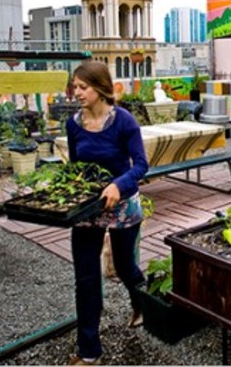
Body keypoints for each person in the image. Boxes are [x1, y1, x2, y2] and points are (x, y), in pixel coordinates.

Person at [66, 61, 149, 365]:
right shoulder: (74, 123)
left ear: (101, 89)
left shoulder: (124, 121)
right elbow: (77, 167)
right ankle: (89, 352)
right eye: (74, 87)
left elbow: (141, 165)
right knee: (86, 277)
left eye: (83, 87)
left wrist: (118, 184)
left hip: (123, 203)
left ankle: (142, 306)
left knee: (126, 267)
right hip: (89, 207)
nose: (77, 93)